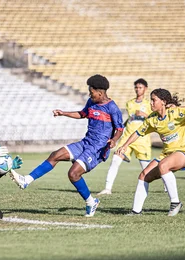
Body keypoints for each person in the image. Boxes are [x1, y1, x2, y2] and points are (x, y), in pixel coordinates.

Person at [9, 74, 124, 217]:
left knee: (73, 174)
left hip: (97, 149)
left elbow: (119, 129)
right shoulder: (91, 102)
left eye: (91, 92)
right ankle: (26, 180)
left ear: (100, 93)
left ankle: (91, 202)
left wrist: (113, 140)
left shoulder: (112, 108)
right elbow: (82, 114)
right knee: (55, 155)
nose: (89, 94)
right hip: (85, 143)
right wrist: (64, 113)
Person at [117, 88, 185, 216]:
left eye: (153, 100)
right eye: (151, 100)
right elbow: (138, 132)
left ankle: (175, 202)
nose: (151, 103)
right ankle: (136, 211)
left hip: (183, 152)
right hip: (166, 154)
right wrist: (124, 145)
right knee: (144, 175)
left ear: (163, 102)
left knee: (163, 165)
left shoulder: (175, 113)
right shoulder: (152, 119)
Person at [98, 78, 152, 195]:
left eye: (140, 87)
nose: (138, 90)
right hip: (127, 138)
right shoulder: (130, 103)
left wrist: (144, 114)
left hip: (142, 139)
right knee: (115, 160)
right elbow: (130, 119)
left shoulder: (149, 104)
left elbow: (154, 120)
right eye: (136, 87)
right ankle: (107, 188)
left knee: (147, 168)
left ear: (145, 89)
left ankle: (165, 180)